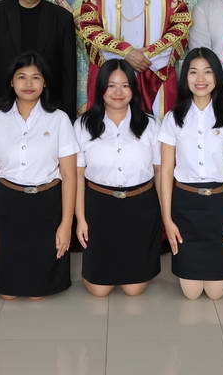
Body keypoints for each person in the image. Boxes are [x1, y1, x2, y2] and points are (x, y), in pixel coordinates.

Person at [0, 52, 78, 299]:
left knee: (38, 293)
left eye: (36, 77)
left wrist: (66, 224)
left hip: (46, 205)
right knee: (7, 294)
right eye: (21, 77)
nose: (29, 84)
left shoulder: (59, 120)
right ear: (11, 82)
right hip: (6, 205)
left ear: (45, 83)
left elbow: (69, 175)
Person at [77, 0, 192, 118]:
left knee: (159, 129)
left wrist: (148, 54)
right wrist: (126, 52)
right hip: (111, 72)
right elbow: (87, 25)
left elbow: (181, 22)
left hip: (155, 69)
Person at [159, 47, 223, 300]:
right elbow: (166, 171)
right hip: (185, 205)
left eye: (207, 72)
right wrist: (167, 218)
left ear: (217, 76)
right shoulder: (173, 118)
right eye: (193, 72)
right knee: (192, 292)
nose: (200, 79)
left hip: (220, 205)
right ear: (185, 77)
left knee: (216, 292)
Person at [74, 59, 162, 296]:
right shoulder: (83, 125)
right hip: (99, 206)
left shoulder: (150, 124)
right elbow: (78, 176)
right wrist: (80, 219)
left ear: (133, 89)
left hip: (140, 206)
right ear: (101, 89)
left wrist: (163, 214)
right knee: (99, 290)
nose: (118, 92)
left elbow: (160, 173)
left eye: (125, 85)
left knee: (134, 290)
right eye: (111, 85)